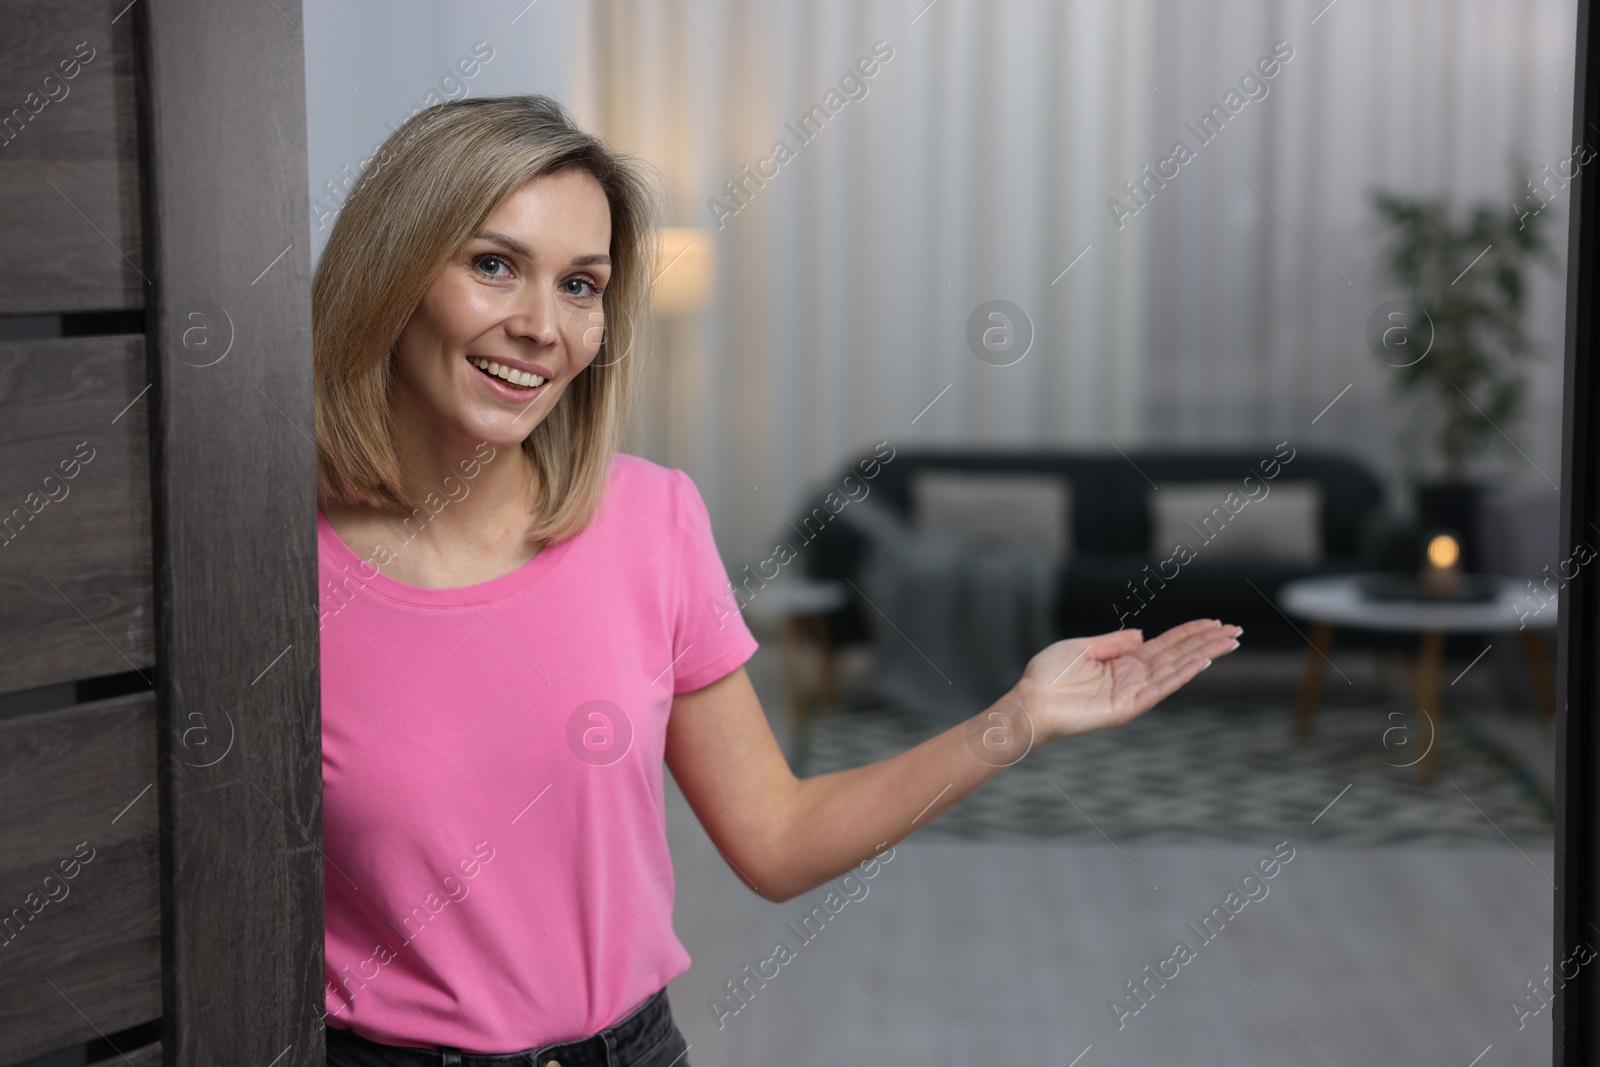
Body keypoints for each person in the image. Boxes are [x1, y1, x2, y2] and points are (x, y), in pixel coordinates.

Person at [313, 94, 1242, 1067]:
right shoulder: (278, 574)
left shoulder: (649, 521)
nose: (542, 325)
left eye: (582, 285)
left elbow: (776, 836)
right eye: (494, 265)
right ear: (394, 269)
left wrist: (1018, 716)